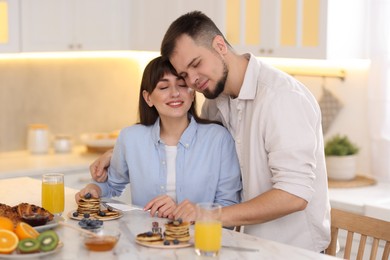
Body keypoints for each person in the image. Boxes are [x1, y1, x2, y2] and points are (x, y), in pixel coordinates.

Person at [90, 11, 331, 252]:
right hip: (243, 245)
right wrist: (121, 152)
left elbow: (294, 195)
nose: (193, 80)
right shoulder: (216, 100)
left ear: (219, 45)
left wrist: (207, 213)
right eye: (184, 74)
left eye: (196, 64)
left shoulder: (282, 98)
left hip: (292, 251)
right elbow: (202, 145)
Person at [76, 56, 242, 219]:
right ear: (148, 98)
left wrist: (183, 212)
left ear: (192, 94)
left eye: (182, 85)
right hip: (144, 240)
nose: (175, 93)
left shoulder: (219, 139)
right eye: (163, 87)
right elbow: (111, 185)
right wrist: (94, 189)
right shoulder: (130, 138)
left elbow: (229, 205)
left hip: (199, 241)